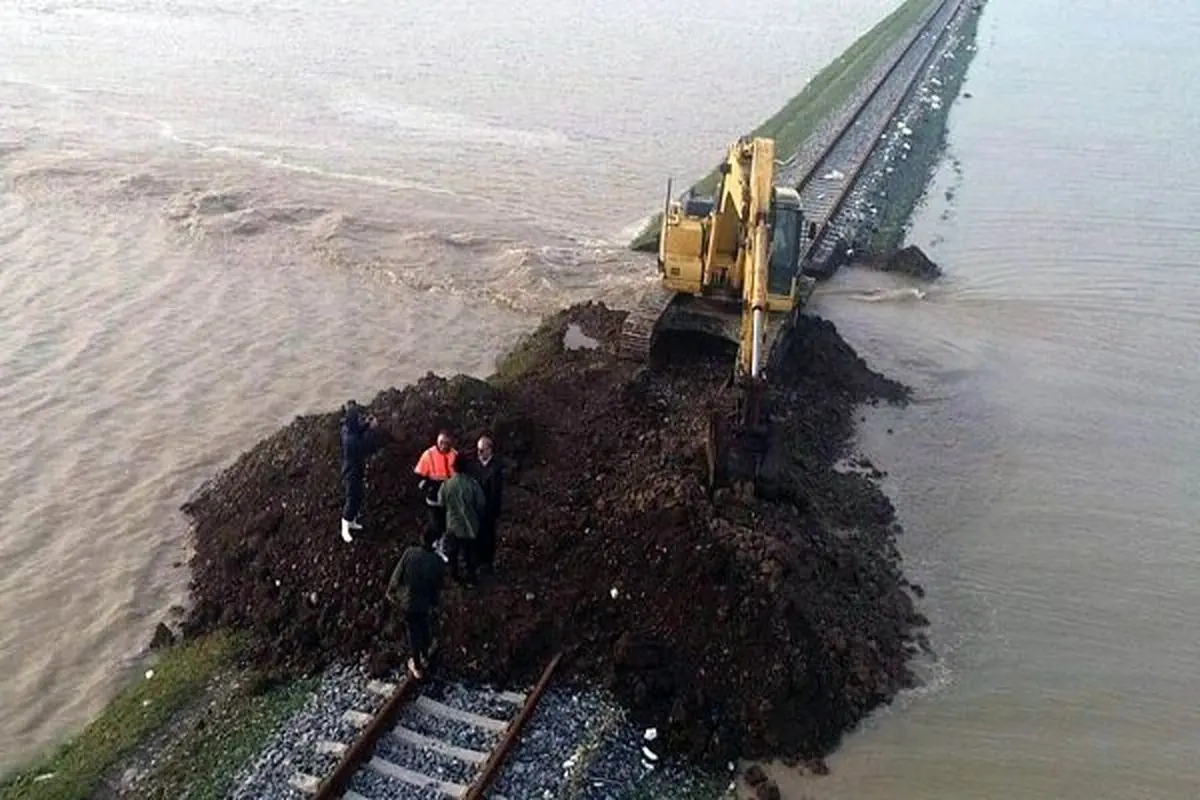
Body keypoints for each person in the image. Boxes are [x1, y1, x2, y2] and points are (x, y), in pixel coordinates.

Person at [385, 526, 446, 680]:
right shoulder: (437, 562)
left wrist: (391, 592)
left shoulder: (410, 553)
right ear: (435, 543)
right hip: (424, 604)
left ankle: (417, 665)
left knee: (413, 633)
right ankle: (425, 654)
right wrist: (434, 604)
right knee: (423, 627)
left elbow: (397, 574)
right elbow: (436, 587)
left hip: (406, 601)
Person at [438, 452, 487, 586]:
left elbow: (441, 503)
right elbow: (481, 503)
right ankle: (471, 578)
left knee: (453, 554)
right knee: (470, 554)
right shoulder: (473, 484)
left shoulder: (446, 485)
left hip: (453, 526)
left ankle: (455, 577)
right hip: (470, 525)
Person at [340, 400, 384, 544]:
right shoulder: (350, 441)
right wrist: (372, 429)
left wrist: (365, 425)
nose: (360, 419)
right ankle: (345, 527)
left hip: (356, 468)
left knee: (358, 495)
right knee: (352, 497)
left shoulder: (347, 429)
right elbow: (366, 446)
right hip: (351, 471)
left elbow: (357, 430)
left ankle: (351, 520)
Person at [413, 430, 457, 553]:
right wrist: (426, 484)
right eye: (441, 443)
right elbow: (419, 474)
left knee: (447, 525)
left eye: (446, 443)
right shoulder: (429, 455)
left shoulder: (455, 455)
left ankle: (441, 545)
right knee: (435, 524)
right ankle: (428, 543)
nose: (443, 446)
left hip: (449, 498)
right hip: (433, 497)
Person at [468, 435, 505, 574]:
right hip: (476, 509)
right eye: (478, 450)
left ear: (490, 449)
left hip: (489, 510)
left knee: (489, 536)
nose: (479, 453)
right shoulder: (474, 466)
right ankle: (478, 562)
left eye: (482, 450)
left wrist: (493, 511)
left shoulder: (496, 467)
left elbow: (496, 493)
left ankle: (488, 563)